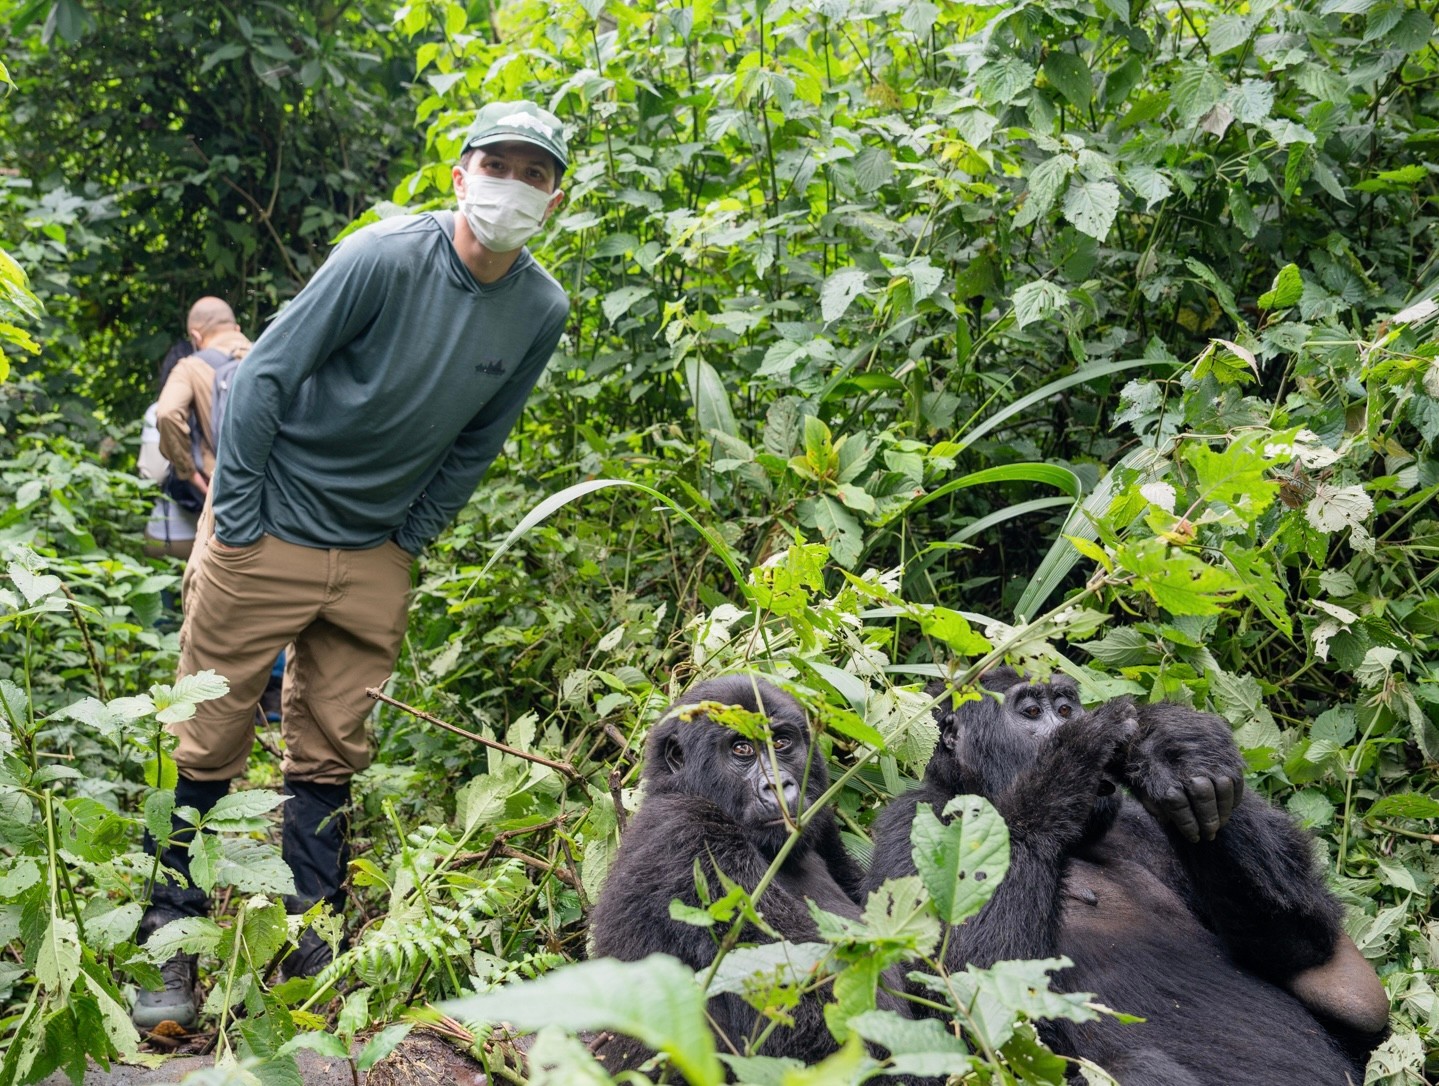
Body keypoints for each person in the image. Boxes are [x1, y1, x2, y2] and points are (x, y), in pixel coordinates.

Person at [132, 100, 571, 1031]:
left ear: (554, 197)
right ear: (461, 174)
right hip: (270, 532)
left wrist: (406, 540)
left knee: (332, 752)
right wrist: (240, 518)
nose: (513, 187)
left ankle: (310, 948)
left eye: (535, 174)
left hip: (374, 552)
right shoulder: (384, 256)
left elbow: (476, 443)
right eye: (499, 164)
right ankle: (164, 946)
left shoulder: (539, 307)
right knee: (205, 739)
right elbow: (264, 375)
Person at [139, 338, 198, 560]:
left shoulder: (157, 412)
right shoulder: (223, 408)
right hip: (212, 536)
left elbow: (154, 475)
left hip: (167, 534)